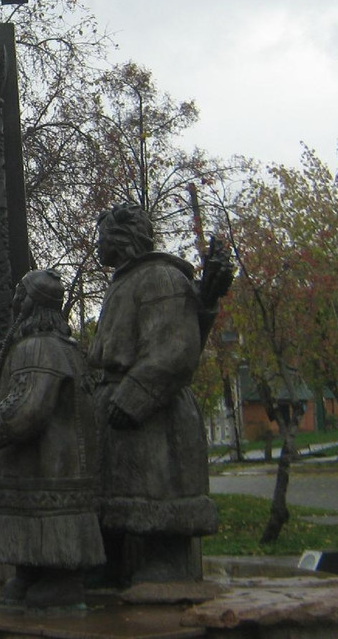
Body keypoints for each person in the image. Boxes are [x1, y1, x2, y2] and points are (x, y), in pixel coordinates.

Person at [88, 202, 219, 584]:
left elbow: (174, 350)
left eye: (102, 236)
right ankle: (111, 567)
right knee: (119, 495)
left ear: (119, 237)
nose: (98, 245)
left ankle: (168, 562)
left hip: (151, 414)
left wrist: (133, 397)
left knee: (158, 493)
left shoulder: (160, 278)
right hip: (117, 404)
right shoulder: (125, 281)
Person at [0, 269, 104, 609]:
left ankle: (62, 580)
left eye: (19, 294)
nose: (13, 301)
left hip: (50, 465)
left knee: (47, 517)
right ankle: (32, 571)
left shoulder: (39, 348)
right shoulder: (63, 346)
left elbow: (27, 408)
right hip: (47, 464)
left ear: (31, 303)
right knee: (32, 518)